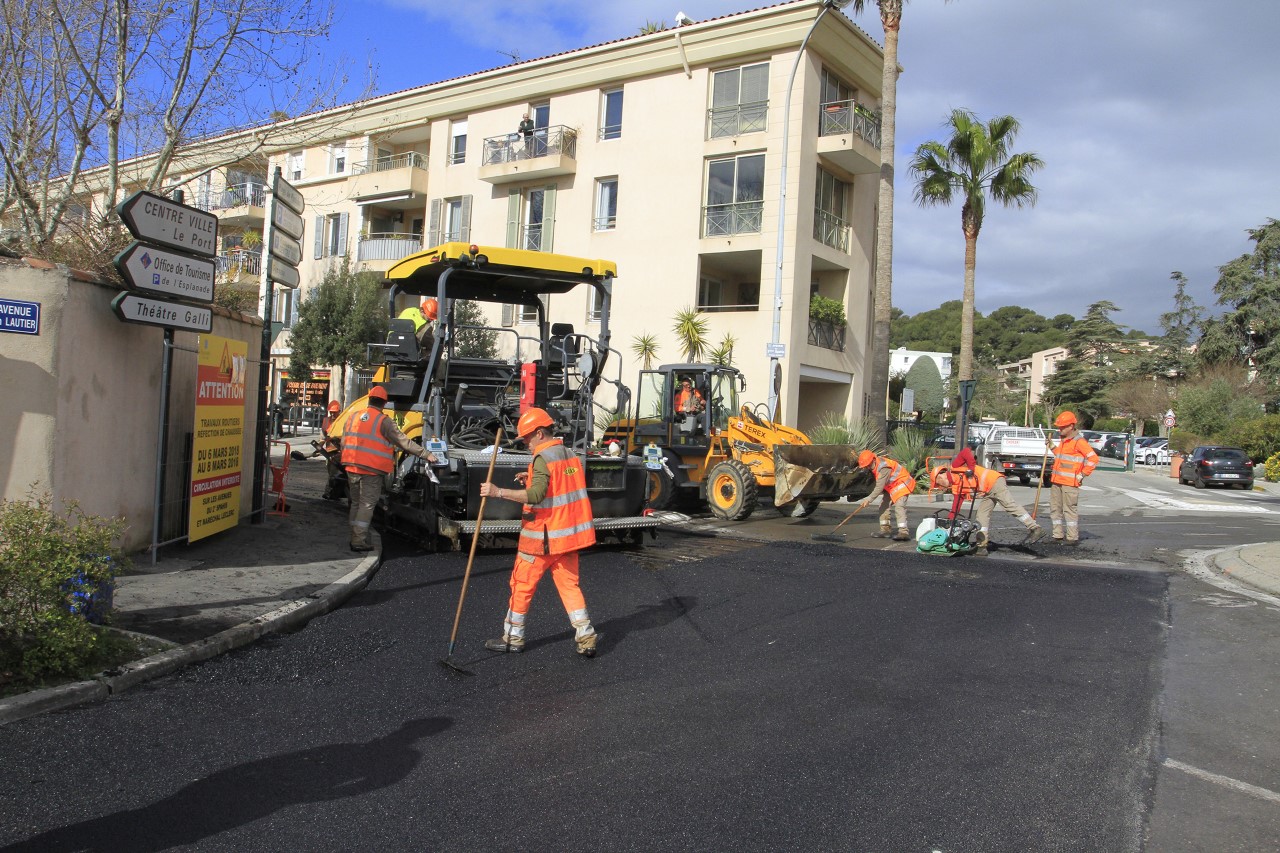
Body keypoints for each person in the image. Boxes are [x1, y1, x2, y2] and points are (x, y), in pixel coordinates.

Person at [478, 407, 599, 658]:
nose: (525, 443)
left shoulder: (543, 457)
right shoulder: (568, 453)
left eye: (527, 438)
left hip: (542, 538)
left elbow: (536, 495)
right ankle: (586, 637)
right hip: (568, 537)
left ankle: (513, 638)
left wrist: (497, 492)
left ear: (540, 433)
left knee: (521, 585)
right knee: (570, 587)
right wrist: (531, 475)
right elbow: (559, 485)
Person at [340, 385, 437, 552]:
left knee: (356, 502)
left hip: (351, 466)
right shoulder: (382, 421)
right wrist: (426, 454)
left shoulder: (353, 417)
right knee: (367, 504)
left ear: (369, 399)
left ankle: (355, 535)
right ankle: (358, 540)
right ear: (384, 403)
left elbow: (344, 441)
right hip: (371, 469)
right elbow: (403, 441)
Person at [932, 447, 1046, 555]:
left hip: (994, 481)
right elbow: (955, 509)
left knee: (1009, 505)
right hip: (988, 491)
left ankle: (1035, 528)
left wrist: (971, 469)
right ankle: (981, 547)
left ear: (940, 476)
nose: (939, 486)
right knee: (981, 515)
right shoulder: (956, 488)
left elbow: (966, 451)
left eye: (938, 483)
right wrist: (949, 527)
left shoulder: (955, 467)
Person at [1048, 410, 1099, 545]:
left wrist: (1083, 474)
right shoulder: (1064, 441)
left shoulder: (1078, 442)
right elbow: (1060, 456)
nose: (1060, 430)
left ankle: (1072, 537)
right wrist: (1052, 447)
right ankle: (1057, 535)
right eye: (1059, 427)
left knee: (1069, 510)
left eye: (1062, 427)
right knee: (1055, 509)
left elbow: (1093, 458)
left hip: (1070, 483)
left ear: (1071, 426)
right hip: (1057, 481)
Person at [854, 449, 916, 541]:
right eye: (866, 466)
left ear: (873, 460)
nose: (867, 468)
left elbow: (879, 486)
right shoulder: (875, 465)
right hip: (892, 486)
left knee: (899, 506)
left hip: (901, 484)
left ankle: (903, 532)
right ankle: (885, 530)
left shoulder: (884, 468)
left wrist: (869, 499)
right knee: (883, 505)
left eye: (868, 465)